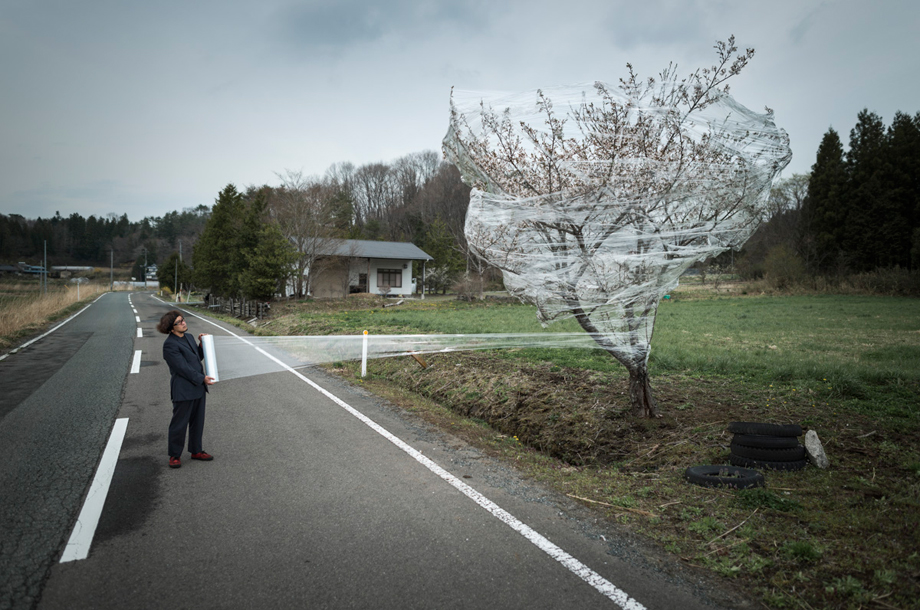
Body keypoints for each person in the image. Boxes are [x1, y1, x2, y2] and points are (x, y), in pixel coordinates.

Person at [157, 310, 216, 468]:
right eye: (179, 322)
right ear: (171, 328)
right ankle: (174, 455)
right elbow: (182, 368)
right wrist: (201, 378)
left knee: (198, 422)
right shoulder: (169, 345)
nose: (183, 323)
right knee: (179, 424)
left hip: (198, 388)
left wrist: (202, 345)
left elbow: (196, 358)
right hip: (183, 390)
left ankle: (196, 451)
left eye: (183, 320)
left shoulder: (189, 337)